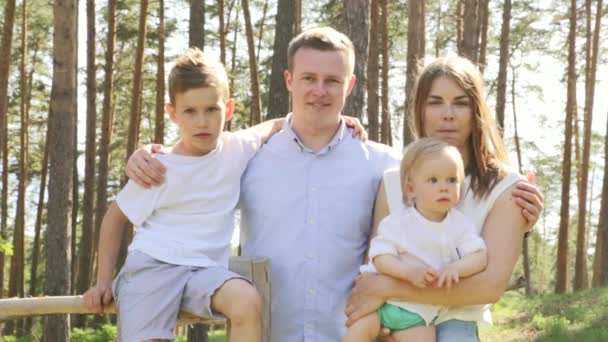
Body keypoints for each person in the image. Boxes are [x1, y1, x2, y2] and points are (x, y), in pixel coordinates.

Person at [125, 30, 544, 342]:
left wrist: (522, 212)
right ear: (289, 80)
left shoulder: (385, 165)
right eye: (309, 78)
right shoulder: (247, 155)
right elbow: (192, 169)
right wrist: (151, 154)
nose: (319, 91)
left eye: (332, 80)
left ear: (350, 85)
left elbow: (438, 211)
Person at [82, 47, 286, 342]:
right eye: (190, 111)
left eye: (211, 110)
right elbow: (114, 219)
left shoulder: (236, 148)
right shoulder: (157, 167)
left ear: (228, 109)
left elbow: (278, 124)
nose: (202, 122)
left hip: (206, 272)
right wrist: (102, 282)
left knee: (246, 300)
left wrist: (341, 121)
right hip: (153, 266)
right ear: (173, 114)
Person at [345, 55, 544, 342]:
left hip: (458, 325)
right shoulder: (393, 181)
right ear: (420, 110)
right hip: (396, 324)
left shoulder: (506, 187)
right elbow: (375, 264)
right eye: (435, 102)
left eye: (461, 103)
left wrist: (386, 289)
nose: (447, 114)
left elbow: (489, 287)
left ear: (476, 112)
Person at [344, 138, 487, 342]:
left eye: (452, 180)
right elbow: (380, 256)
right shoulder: (397, 222)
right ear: (411, 188)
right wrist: (407, 273)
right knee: (354, 335)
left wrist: (456, 268)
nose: (444, 187)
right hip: (382, 305)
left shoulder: (460, 225)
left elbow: (479, 256)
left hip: (420, 315)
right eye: (433, 180)